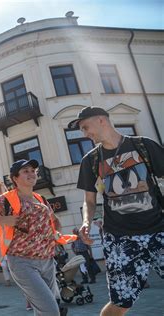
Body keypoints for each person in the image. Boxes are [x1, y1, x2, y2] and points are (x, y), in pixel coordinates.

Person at [69, 106, 164, 316]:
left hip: (159, 230)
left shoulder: (143, 145)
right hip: (120, 240)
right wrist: (86, 222)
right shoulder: (91, 160)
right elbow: (89, 200)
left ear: (101, 120)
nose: (85, 134)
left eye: (86, 127)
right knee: (121, 302)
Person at [0, 159, 74, 316]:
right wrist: (2, 219)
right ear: (15, 178)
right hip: (23, 262)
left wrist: (56, 234)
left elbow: (55, 221)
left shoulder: (41, 200)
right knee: (51, 310)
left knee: (43, 310)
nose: (31, 173)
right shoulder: (6, 199)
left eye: (33, 171)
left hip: (47, 261)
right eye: (25, 171)